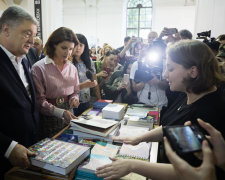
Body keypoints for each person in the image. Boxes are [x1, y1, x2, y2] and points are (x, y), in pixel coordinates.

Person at [96, 40, 225, 180]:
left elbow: (189, 171)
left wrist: (131, 165)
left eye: (170, 69)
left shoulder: (207, 113)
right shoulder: (189, 92)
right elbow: (171, 128)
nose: (164, 75)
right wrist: (138, 138)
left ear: (192, 71)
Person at [0, 6, 40, 178]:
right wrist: (8, 147)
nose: (32, 41)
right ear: (6, 29)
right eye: (26, 33)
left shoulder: (26, 57)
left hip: (28, 150)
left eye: (33, 34)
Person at [31, 27, 80, 139]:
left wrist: (74, 98)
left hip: (69, 113)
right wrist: (60, 112)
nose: (68, 52)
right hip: (48, 117)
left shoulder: (72, 68)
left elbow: (75, 91)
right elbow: (39, 101)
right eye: (64, 48)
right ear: (53, 45)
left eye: (71, 49)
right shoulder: (39, 68)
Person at [72, 34, 97, 116]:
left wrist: (99, 99)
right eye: (76, 44)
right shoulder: (68, 62)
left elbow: (94, 78)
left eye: (81, 45)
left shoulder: (89, 61)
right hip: (72, 101)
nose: (78, 48)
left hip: (86, 99)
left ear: (85, 47)